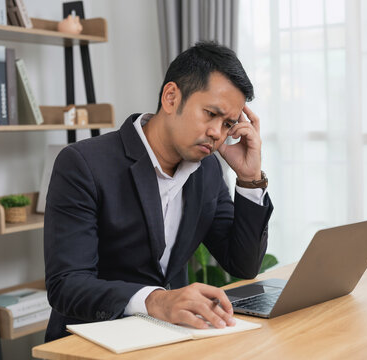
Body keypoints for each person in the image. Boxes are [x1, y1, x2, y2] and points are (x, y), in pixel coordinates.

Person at [43, 41, 273, 341]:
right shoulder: (83, 164)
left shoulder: (207, 170)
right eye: (210, 114)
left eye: (228, 123)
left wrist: (250, 177)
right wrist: (155, 300)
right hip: (91, 343)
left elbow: (242, 263)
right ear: (171, 97)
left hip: (171, 341)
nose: (218, 133)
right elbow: (66, 284)